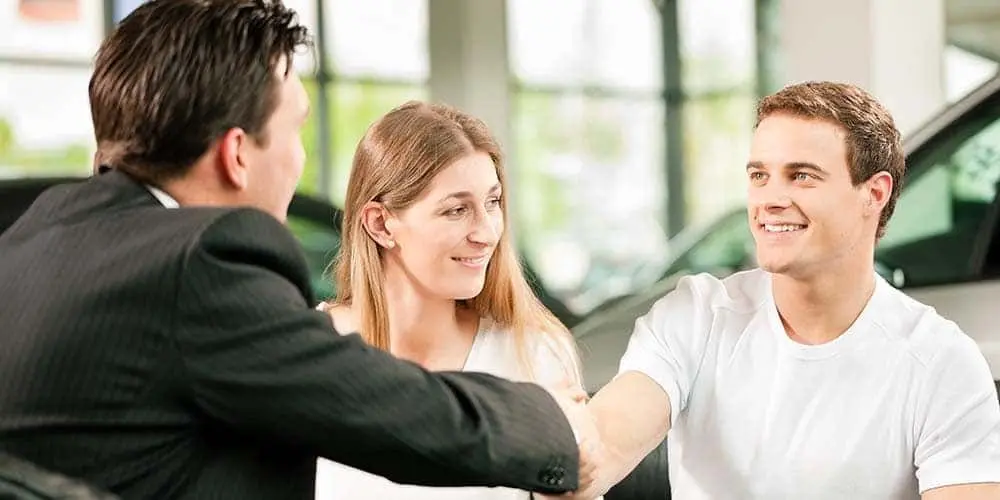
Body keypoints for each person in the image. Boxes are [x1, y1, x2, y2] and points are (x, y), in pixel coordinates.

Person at [0, 1, 595, 499]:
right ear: (237, 154)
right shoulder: (200, 261)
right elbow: (390, 410)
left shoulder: (34, 238)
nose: (299, 159)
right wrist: (551, 423)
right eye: (295, 131)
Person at [577, 81, 1000, 499]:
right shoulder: (695, 317)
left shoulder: (942, 365)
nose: (770, 199)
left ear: (874, 193)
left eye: (801, 176)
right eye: (759, 176)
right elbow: (601, 447)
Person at [312, 101, 595, 500]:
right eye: (457, 209)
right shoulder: (305, 355)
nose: (487, 232)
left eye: (493, 202)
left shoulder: (535, 354)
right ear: (380, 224)